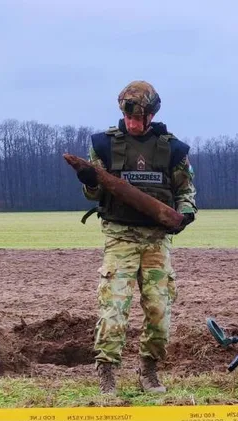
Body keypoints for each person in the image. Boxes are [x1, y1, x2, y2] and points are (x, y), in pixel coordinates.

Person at [64, 80, 196, 394]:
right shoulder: (104, 145)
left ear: (151, 115)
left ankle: (149, 371)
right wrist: (89, 181)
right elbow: (93, 193)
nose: (133, 123)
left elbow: (185, 190)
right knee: (113, 310)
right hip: (119, 237)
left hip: (156, 241)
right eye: (129, 117)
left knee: (159, 312)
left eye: (139, 118)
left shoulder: (173, 149)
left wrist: (186, 212)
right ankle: (107, 374)